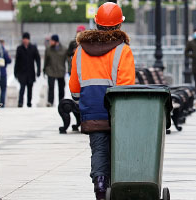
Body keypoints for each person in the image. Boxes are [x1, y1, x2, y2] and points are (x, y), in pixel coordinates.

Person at [69, 2, 135, 200]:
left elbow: (74, 88)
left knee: (98, 150)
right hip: (117, 112)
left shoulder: (80, 51)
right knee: (117, 150)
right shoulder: (123, 51)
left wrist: (84, 102)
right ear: (119, 26)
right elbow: (127, 87)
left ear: (96, 24)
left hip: (92, 111)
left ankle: (99, 185)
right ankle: (116, 188)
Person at [14, 32, 41, 108]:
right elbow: (17, 61)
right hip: (21, 72)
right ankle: (20, 103)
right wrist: (15, 72)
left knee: (30, 88)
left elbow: (37, 59)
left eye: (26, 39)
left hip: (30, 72)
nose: (25, 40)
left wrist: (38, 70)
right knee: (22, 88)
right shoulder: (19, 48)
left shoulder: (33, 48)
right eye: (24, 39)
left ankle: (29, 102)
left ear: (29, 39)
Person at [43, 34, 67, 107]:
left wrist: (70, 69)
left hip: (60, 71)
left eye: (51, 40)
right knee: (51, 87)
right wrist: (44, 70)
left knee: (61, 87)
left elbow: (68, 60)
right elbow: (46, 60)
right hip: (51, 71)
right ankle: (50, 102)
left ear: (56, 41)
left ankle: (61, 101)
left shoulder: (64, 49)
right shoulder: (48, 49)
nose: (50, 42)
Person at [0, 40, 12, 107]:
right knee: (3, 89)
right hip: (3, 73)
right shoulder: (4, 51)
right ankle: (2, 104)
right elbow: (9, 60)